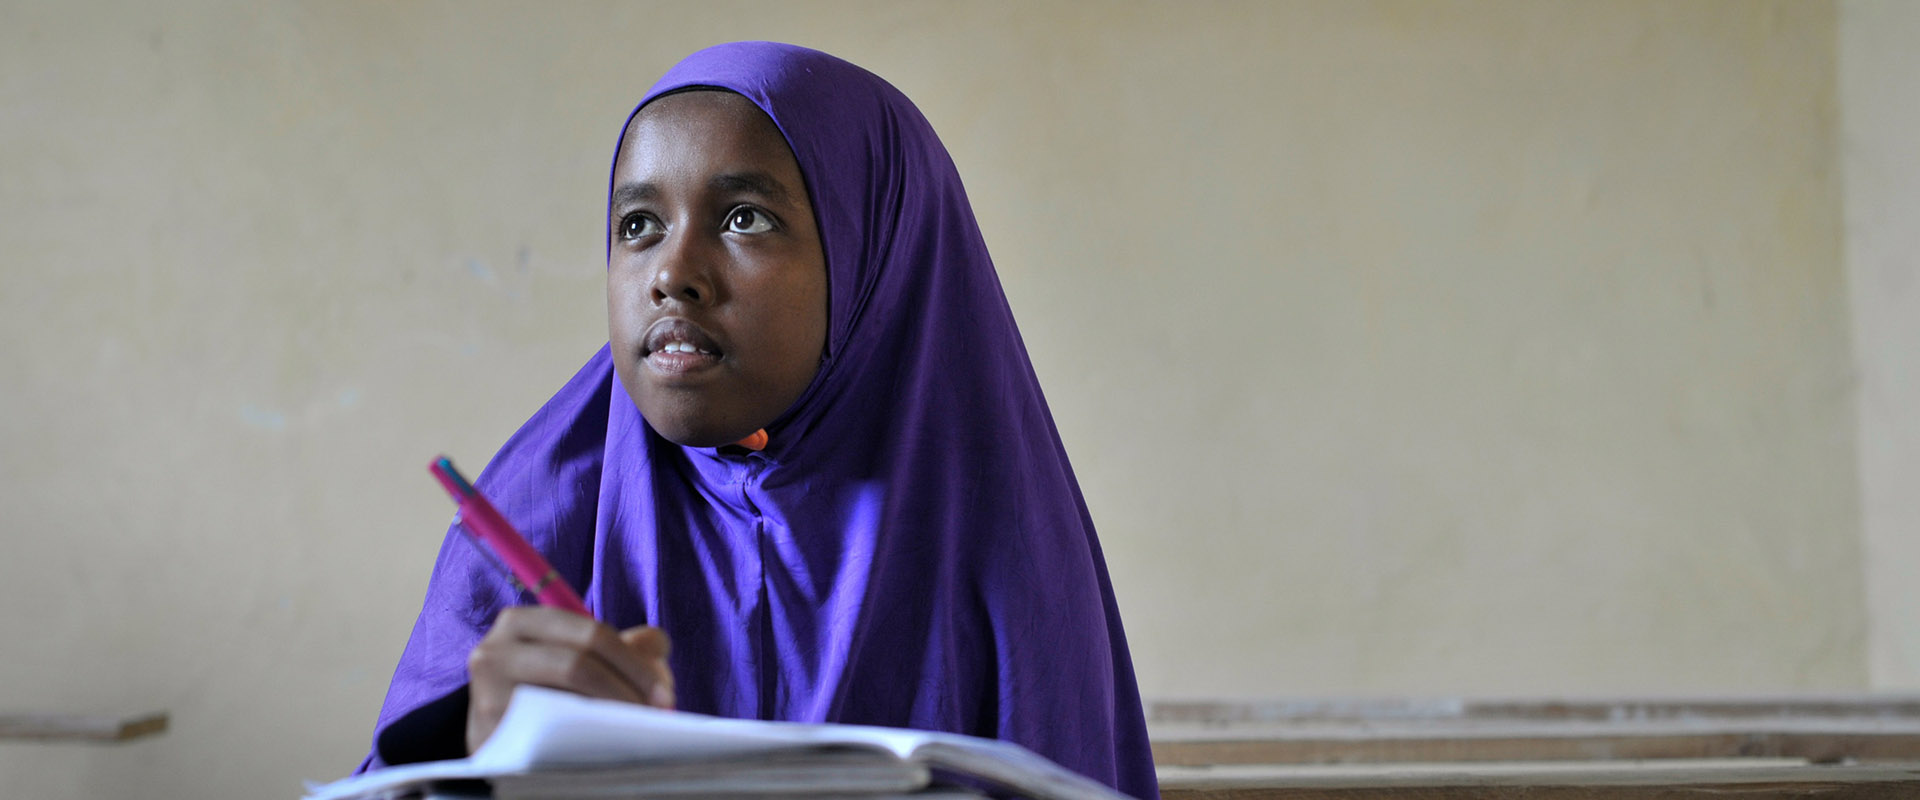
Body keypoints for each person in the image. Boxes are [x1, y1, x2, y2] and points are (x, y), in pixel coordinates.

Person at [359, 41, 1159, 799]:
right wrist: (467, 757)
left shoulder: (995, 534)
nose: (673, 274)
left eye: (744, 218)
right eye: (639, 226)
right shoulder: (541, 516)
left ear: (877, 264)